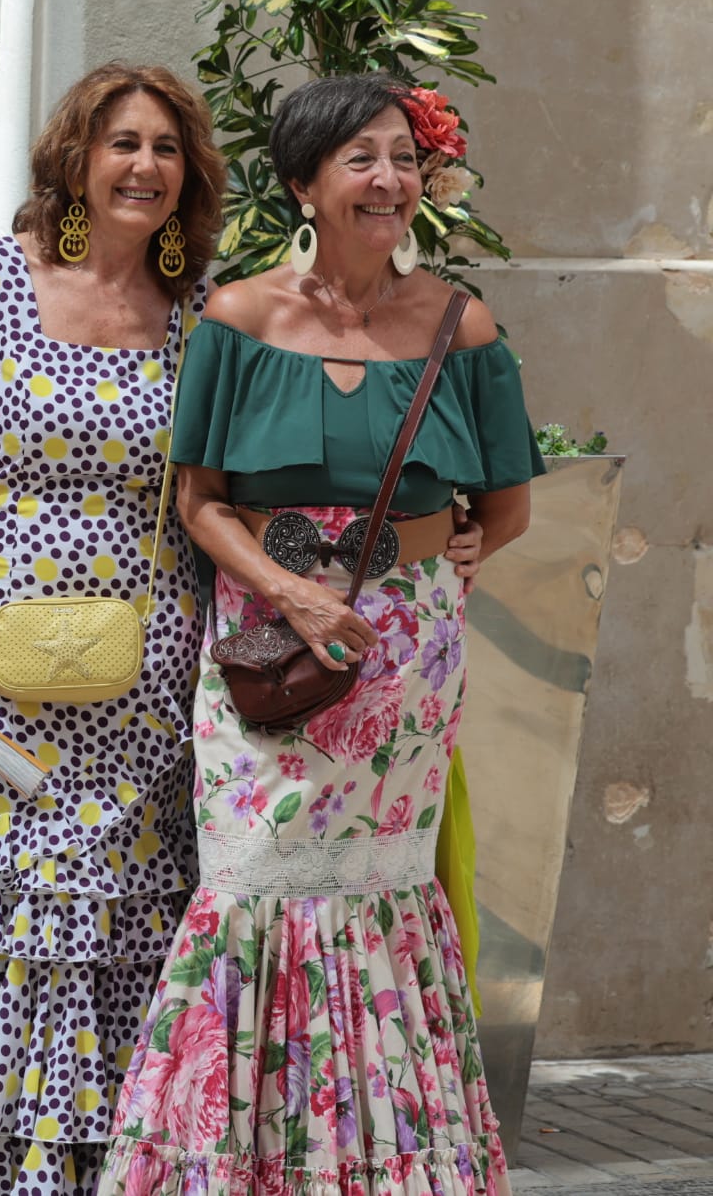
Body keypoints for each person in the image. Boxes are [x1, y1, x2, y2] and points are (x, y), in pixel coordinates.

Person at [96, 74, 541, 1196]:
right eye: (359, 160)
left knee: (384, 896)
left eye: (401, 159)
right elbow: (195, 500)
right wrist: (288, 594)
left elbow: (506, 502)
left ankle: (379, 1169)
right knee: (253, 888)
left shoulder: (460, 324)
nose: (388, 181)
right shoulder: (237, 320)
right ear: (301, 184)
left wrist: (444, 559)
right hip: (263, 650)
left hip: (402, 664)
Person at [0, 62, 227, 1196]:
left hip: (156, 679)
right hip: (14, 671)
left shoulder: (200, 307)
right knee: (23, 905)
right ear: (76, 159)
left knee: (140, 911)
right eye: (122, 143)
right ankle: (1, 1171)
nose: (144, 166)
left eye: (165, 149)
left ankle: (121, 1167)